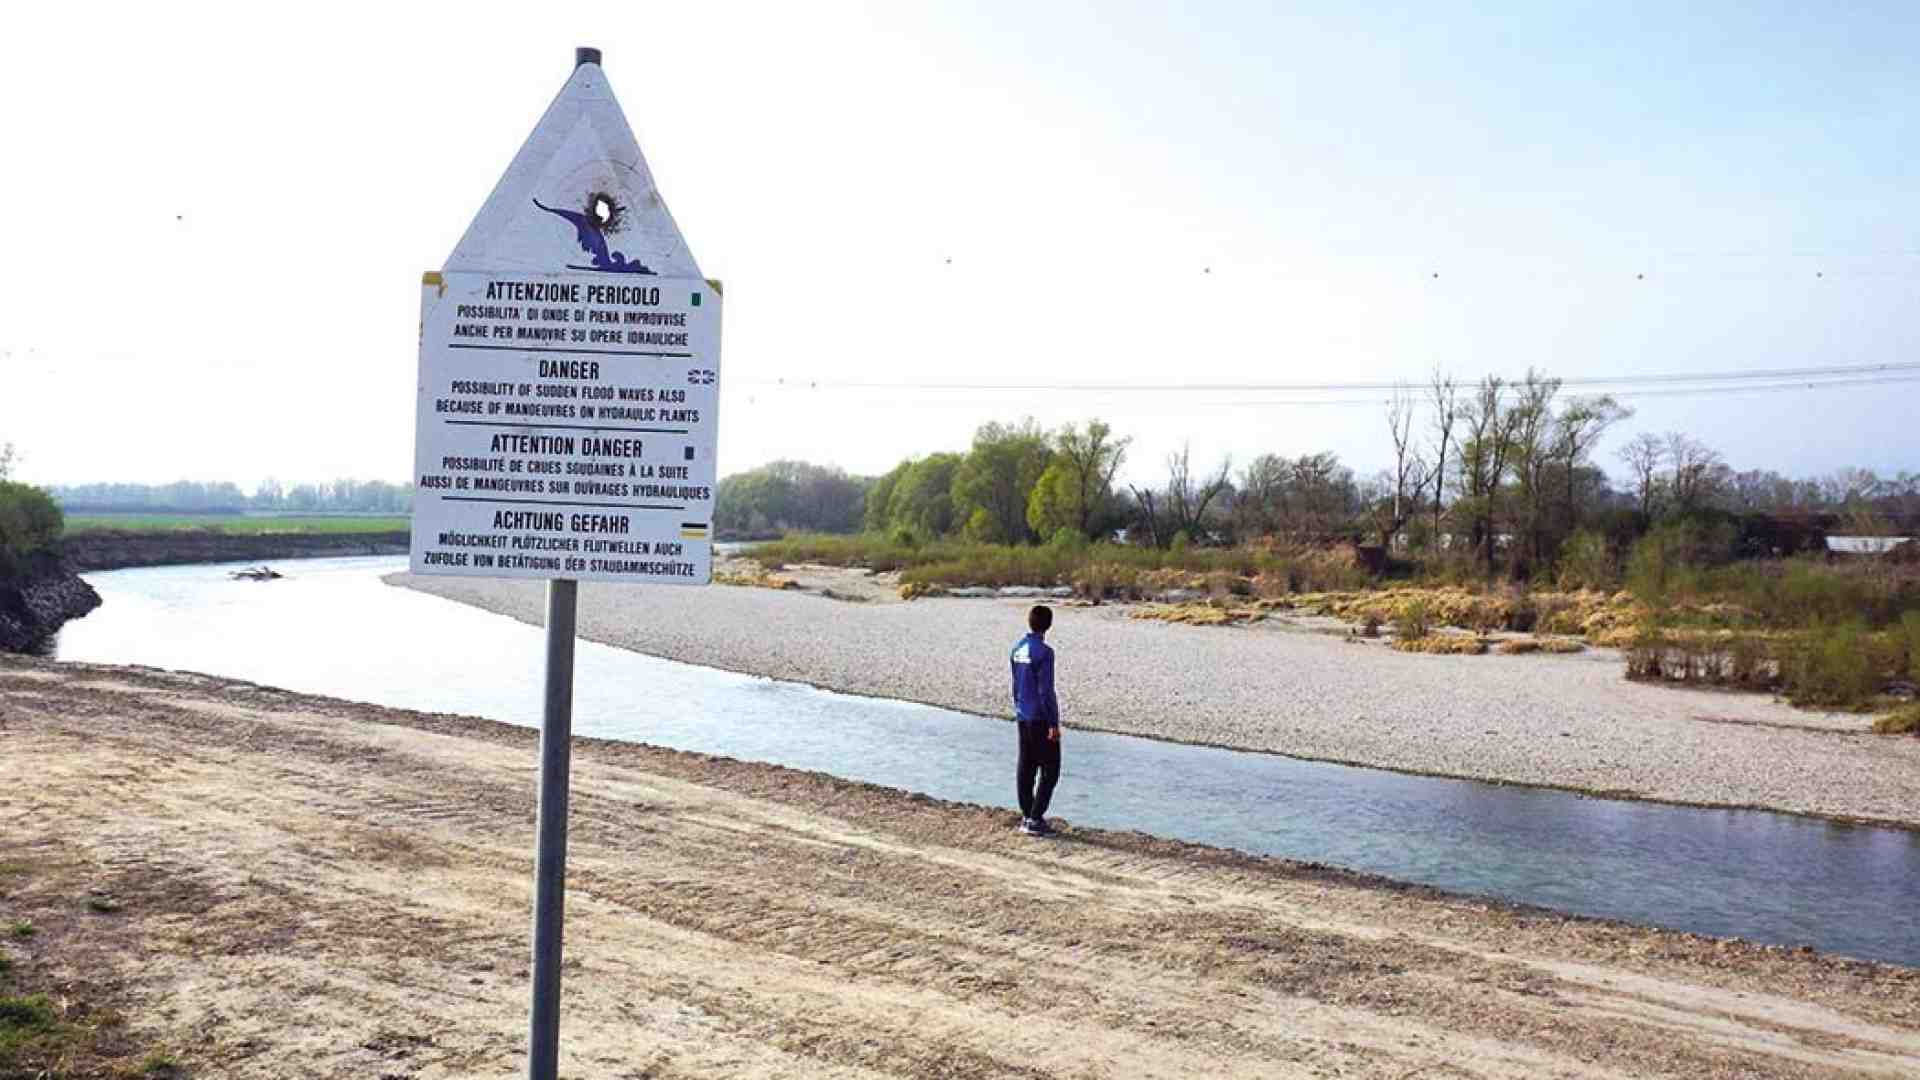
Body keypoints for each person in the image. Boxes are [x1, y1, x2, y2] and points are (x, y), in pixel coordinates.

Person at [1009, 604, 1061, 836]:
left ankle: (1027, 815)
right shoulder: (1044, 652)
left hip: (1023, 715)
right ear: (1048, 625)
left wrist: (1019, 709)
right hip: (1040, 717)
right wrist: (1053, 723)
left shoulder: (1017, 649)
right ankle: (1035, 818)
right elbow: (1046, 691)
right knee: (1051, 769)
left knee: (1026, 765)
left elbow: (1015, 686)